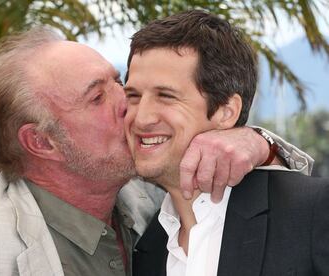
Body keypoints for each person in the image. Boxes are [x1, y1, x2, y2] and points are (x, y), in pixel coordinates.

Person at [0, 26, 313, 275]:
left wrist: (256, 141)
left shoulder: (157, 197)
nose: (129, 104)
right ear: (42, 142)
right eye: (96, 97)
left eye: (118, 82)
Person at [125, 10, 329, 276]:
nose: (141, 117)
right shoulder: (146, 251)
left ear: (226, 111)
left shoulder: (311, 212)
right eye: (133, 95)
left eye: (166, 96)